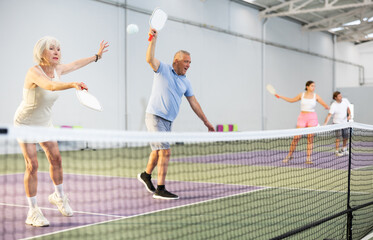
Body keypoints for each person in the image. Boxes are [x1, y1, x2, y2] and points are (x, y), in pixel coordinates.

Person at [14, 36, 109, 227]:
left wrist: (96, 56)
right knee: (32, 165)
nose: (57, 52)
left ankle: (59, 196)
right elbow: (50, 85)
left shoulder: (58, 69)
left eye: (58, 49)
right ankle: (32, 211)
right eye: (52, 49)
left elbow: (75, 64)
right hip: (25, 124)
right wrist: (72, 84)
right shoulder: (33, 72)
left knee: (56, 159)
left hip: (44, 124)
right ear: (41, 53)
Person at [137, 28, 215, 200]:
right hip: (155, 116)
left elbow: (194, 103)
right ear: (176, 61)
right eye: (186, 61)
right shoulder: (163, 68)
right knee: (166, 151)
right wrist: (153, 39)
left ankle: (146, 175)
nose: (188, 65)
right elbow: (149, 59)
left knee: (158, 151)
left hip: (168, 121)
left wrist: (206, 122)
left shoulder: (186, 82)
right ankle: (160, 189)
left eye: (190, 62)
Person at [275, 81, 329, 164]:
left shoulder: (316, 96)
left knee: (310, 138)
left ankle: (308, 158)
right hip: (302, 117)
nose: (313, 87)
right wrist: (281, 97)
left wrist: (328, 107)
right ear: (307, 86)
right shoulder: (302, 95)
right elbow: (291, 100)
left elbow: (325, 105)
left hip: (312, 118)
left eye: (314, 86)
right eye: (312, 86)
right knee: (296, 138)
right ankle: (289, 155)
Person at [323, 91, 351, 156]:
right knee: (338, 138)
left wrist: (349, 115)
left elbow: (348, 109)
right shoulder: (333, 105)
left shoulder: (345, 101)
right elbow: (329, 115)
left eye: (341, 95)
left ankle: (344, 149)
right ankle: (337, 151)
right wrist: (324, 124)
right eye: (339, 96)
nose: (341, 97)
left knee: (346, 137)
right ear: (335, 98)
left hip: (344, 123)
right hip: (337, 124)